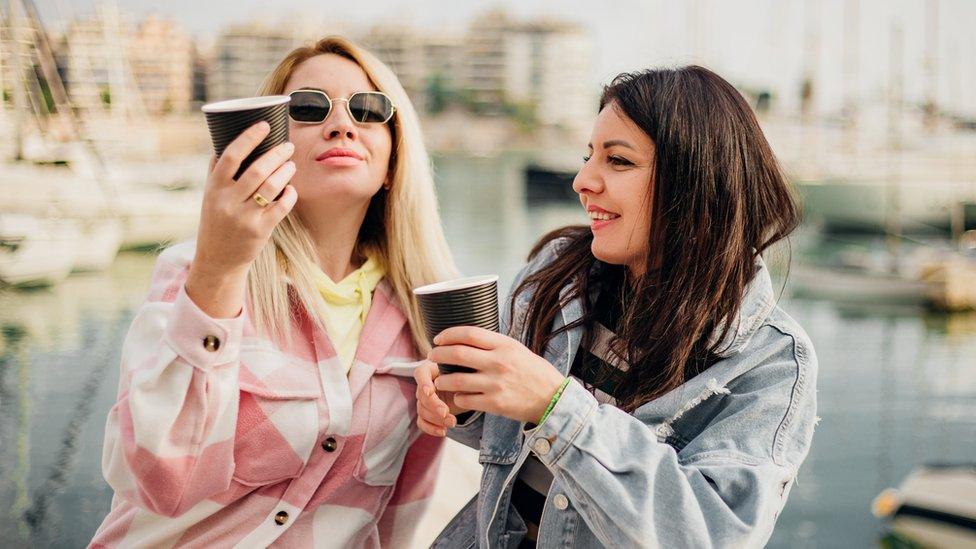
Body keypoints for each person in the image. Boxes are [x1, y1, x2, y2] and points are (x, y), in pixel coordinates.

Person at [415, 66, 818, 548]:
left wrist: (555, 406)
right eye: (588, 157)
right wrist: (463, 404)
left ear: (695, 181)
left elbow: (711, 533)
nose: (583, 181)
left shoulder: (770, 362)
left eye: (618, 161)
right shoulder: (558, 274)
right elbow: (511, 445)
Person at [90, 36, 456, 548]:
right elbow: (153, 481)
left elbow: (400, 514)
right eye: (309, 107)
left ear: (394, 160)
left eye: (369, 109)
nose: (342, 124)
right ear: (270, 145)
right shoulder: (196, 276)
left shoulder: (420, 320)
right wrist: (219, 269)